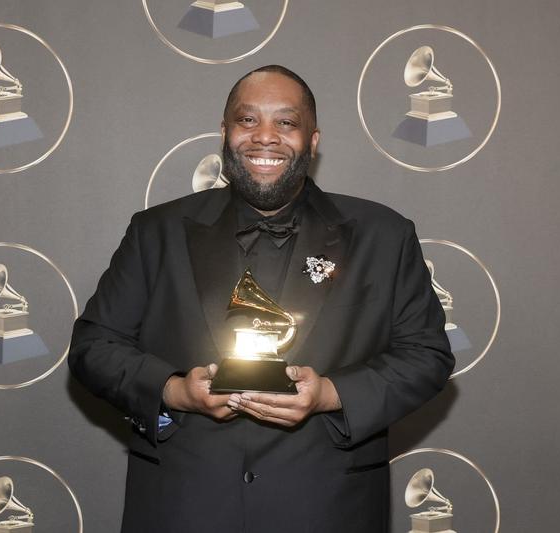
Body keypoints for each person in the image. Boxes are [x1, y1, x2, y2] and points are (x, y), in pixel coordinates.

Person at [68, 65, 455, 533]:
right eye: (247, 120)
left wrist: (330, 395)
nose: (264, 137)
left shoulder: (384, 235)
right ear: (225, 133)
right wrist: (175, 392)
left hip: (328, 508)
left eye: (286, 123)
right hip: (183, 508)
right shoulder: (155, 231)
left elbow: (427, 355)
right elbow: (94, 347)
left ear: (313, 140)